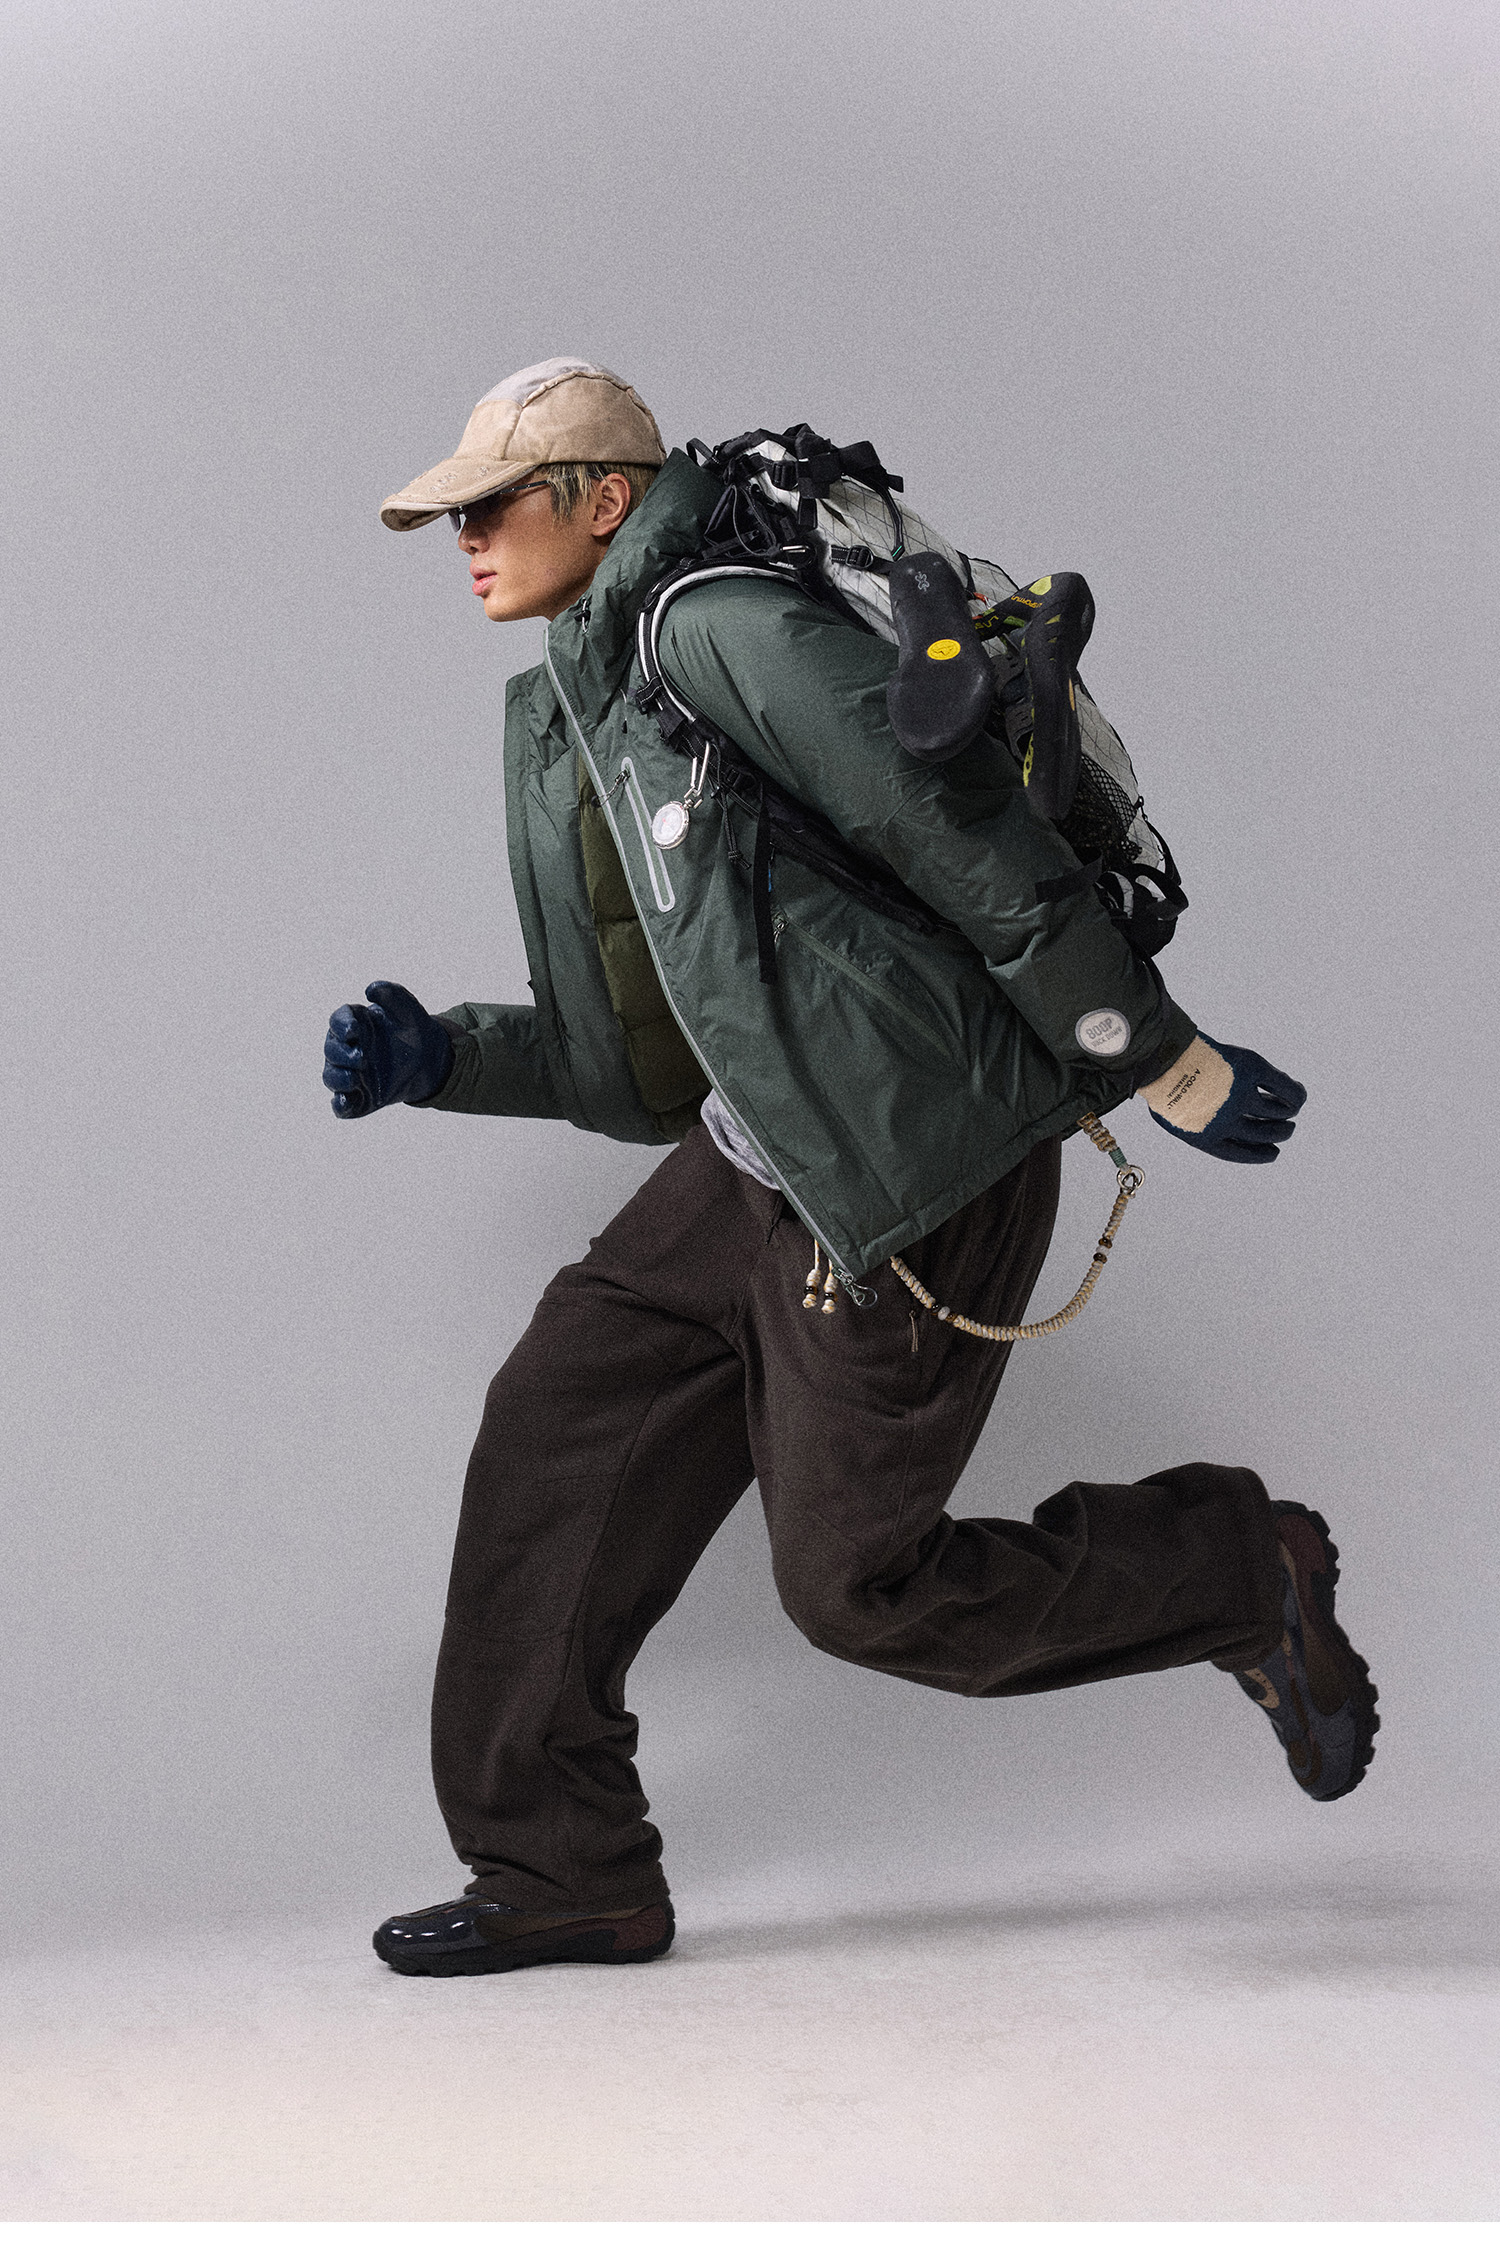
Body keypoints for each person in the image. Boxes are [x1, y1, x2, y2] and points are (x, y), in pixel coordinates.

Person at [324, 357, 1377, 1980]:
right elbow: (646, 1053)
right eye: (452, 515)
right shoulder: (581, 704)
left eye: (493, 505)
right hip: (745, 1165)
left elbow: (957, 825)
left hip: (901, 1167)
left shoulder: (717, 630)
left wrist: (1155, 1055)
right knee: (553, 1436)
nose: (466, 537)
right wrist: (445, 1058)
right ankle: (561, 1871)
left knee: (858, 1588)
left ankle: (1241, 1569)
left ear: (602, 500)